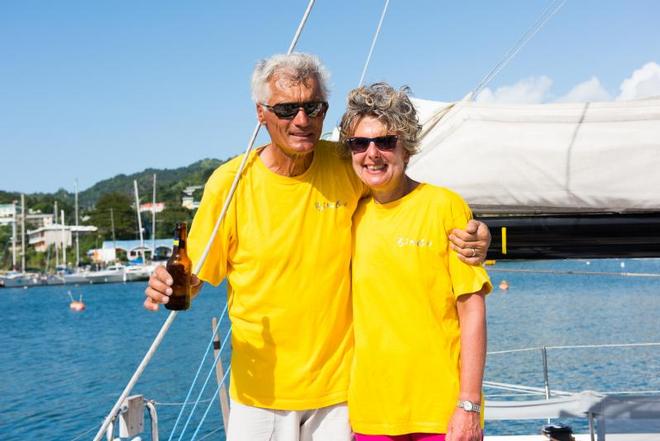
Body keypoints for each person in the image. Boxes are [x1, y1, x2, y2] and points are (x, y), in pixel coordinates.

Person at [144, 53, 491, 441]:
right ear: (261, 113)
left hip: (340, 396)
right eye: (287, 108)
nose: (302, 120)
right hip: (261, 392)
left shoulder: (347, 164)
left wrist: (479, 233)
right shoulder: (229, 184)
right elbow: (195, 274)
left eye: (313, 107)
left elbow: (404, 196)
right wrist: (171, 283)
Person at [338, 82, 492, 441]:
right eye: (360, 143)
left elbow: (472, 311)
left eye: (385, 141)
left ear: (406, 147)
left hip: (441, 413)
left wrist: (468, 405)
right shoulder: (350, 216)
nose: (371, 153)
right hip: (371, 413)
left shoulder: (444, 206)